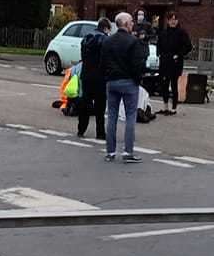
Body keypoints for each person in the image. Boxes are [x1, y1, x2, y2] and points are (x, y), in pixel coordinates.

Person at [99, 12, 149, 163]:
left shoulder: (107, 41)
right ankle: (128, 152)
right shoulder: (133, 42)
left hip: (112, 82)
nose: (133, 23)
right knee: (130, 117)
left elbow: (102, 64)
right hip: (128, 82)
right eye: (132, 22)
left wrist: (107, 77)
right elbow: (137, 64)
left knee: (112, 116)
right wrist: (137, 79)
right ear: (126, 24)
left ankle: (110, 152)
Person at [77, 17, 112, 139]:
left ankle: (81, 129)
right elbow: (107, 59)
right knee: (100, 106)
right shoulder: (105, 40)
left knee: (85, 103)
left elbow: (82, 55)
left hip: (86, 74)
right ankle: (100, 132)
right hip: (100, 77)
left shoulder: (86, 38)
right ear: (106, 28)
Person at [156, 11, 192, 115]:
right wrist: (159, 54)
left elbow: (188, 46)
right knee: (164, 84)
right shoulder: (163, 32)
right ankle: (165, 106)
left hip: (175, 62)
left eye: (175, 19)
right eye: (171, 19)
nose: (173, 21)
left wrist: (179, 54)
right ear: (167, 21)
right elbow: (159, 44)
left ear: (177, 21)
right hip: (164, 61)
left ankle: (174, 108)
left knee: (174, 84)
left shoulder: (181, 32)